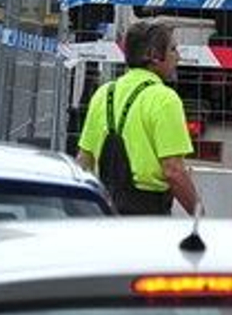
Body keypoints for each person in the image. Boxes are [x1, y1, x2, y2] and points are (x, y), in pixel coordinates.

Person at [76, 18, 203, 217]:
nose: (177, 57)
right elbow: (173, 171)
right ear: (153, 56)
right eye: (172, 49)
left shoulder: (104, 93)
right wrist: (199, 216)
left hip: (105, 211)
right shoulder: (164, 99)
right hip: (147, 213)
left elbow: (84, 162)